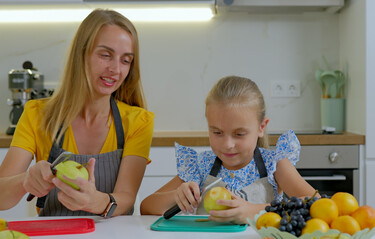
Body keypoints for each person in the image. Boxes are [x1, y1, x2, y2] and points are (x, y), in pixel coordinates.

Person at [0, 9, 154, 217]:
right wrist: (25, 180)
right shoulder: (36, 115)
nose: (116, 69)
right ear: (81, 54)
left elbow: (126, 197)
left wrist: (95, 201)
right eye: (105, 55)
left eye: (126, 60)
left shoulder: (138, 122)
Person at [140, 76, 316, 224]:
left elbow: (314, 204)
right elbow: (146, 207)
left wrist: (253, 210)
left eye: (239, 134)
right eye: (217, 132)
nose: (227, 144)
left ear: (261, 127)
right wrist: (176, 196)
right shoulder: (201, 166)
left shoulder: (275, 165)